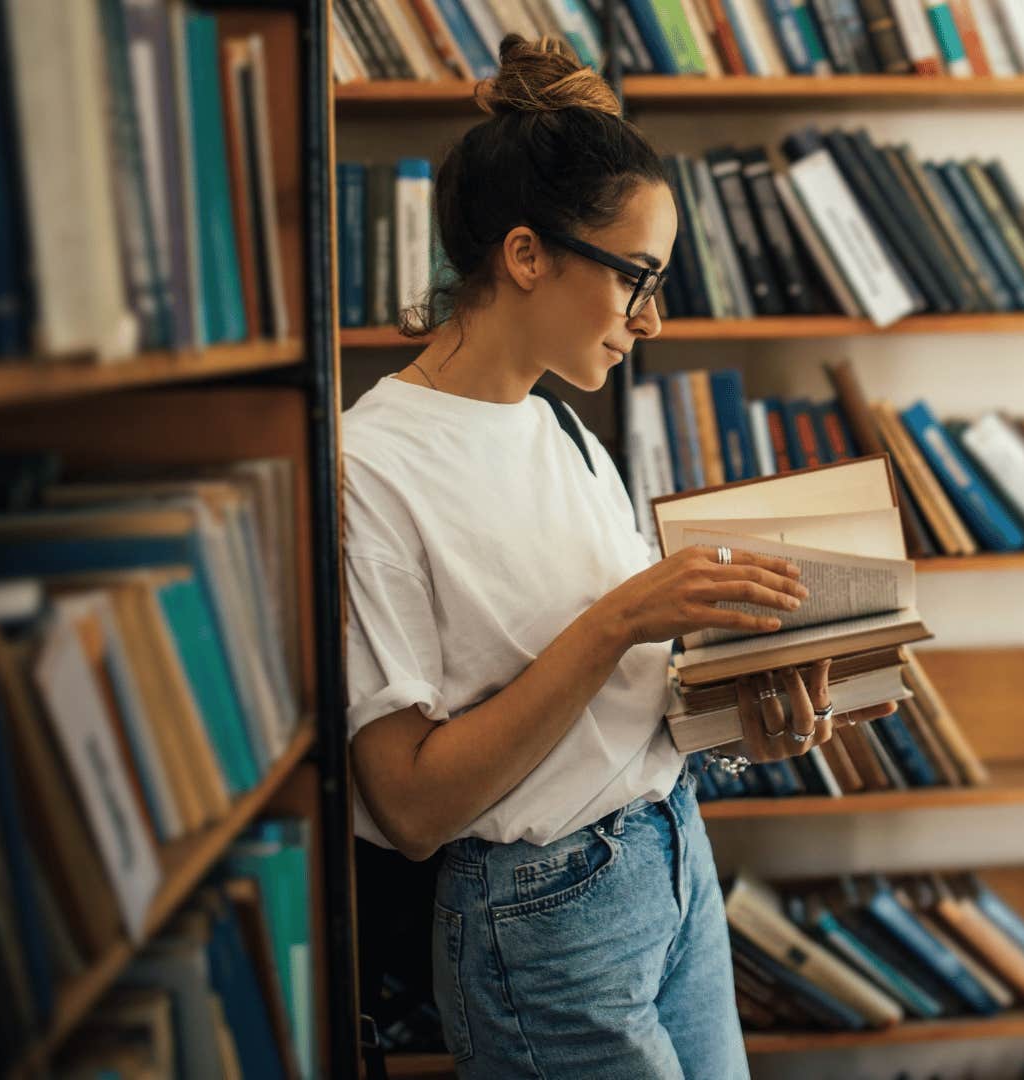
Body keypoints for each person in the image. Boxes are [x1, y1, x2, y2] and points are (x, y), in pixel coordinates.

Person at [339, 35, 897, 1079]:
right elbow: (411, 806)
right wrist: (620, 619)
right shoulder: (371, 466)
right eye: (637, 277)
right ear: (525, 255)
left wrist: (747, 721)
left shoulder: (562, 428)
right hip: (543, 924)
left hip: (671, 859)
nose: (652, 317)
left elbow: (620, 709)